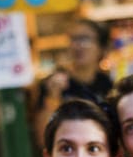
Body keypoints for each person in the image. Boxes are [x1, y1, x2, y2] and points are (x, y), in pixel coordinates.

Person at [33, 19, 113, 149]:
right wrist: (53, 96)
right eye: (73, 39)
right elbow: (43, 138)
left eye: (84, 39)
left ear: (102, 47)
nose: (77, 45)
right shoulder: (54, 83)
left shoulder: (108, 85)